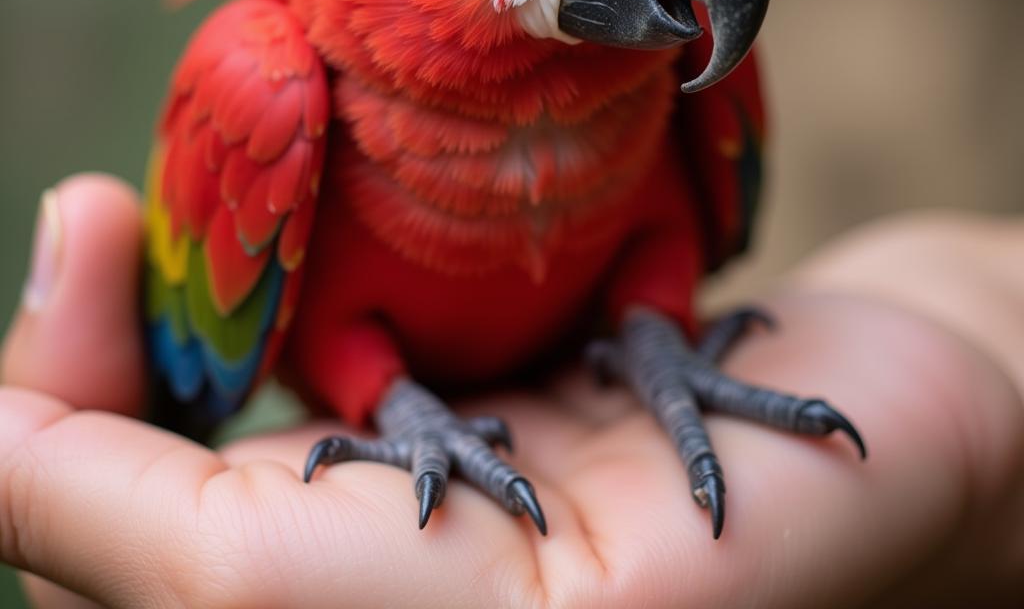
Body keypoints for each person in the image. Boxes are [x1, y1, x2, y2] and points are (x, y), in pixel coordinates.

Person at [1, 174, 1021, 608]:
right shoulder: (266, 79)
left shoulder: (680, 27)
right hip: (370, 374)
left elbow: (662, 230)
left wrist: (983, 365)